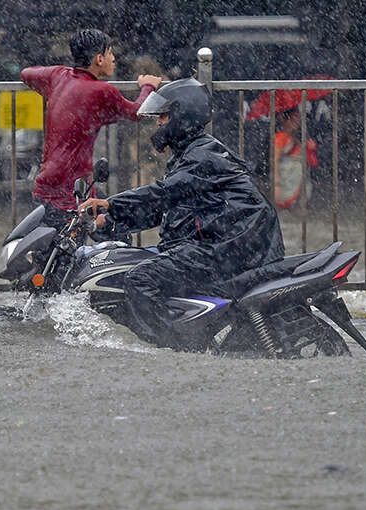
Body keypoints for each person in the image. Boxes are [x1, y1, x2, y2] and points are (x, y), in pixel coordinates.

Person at [78, 78, 285, 350]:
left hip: (230, 250)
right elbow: (168, 209)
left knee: (141, 279)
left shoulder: (202, 156)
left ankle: (178, 348)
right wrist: (115, 221)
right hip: (223, 247)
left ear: (181, 115)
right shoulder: (192, 153)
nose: (158, 124)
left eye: (163, 116)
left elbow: (165, 193)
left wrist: (111, 204)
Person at [20, 28, 162, 230]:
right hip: (71, 190)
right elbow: (138, 112)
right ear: (99, 59)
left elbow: (26, 73)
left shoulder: (59, 75)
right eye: (110, 53)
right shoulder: (102, 90)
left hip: (50, 183)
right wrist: (148, 86)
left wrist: (53, 87)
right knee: (84, 246)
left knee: (65, 246)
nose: (114, 58)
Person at [271, 107, 317, 209]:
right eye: (294, 118)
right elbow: (275, 161)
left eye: (298, 119)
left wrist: (309, 148)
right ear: (285, 120)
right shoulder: (279, 138)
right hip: (287, 181)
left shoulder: (295, 138)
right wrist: (277, 184)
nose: (296, 122)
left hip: (299, 182)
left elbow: (308, 160)